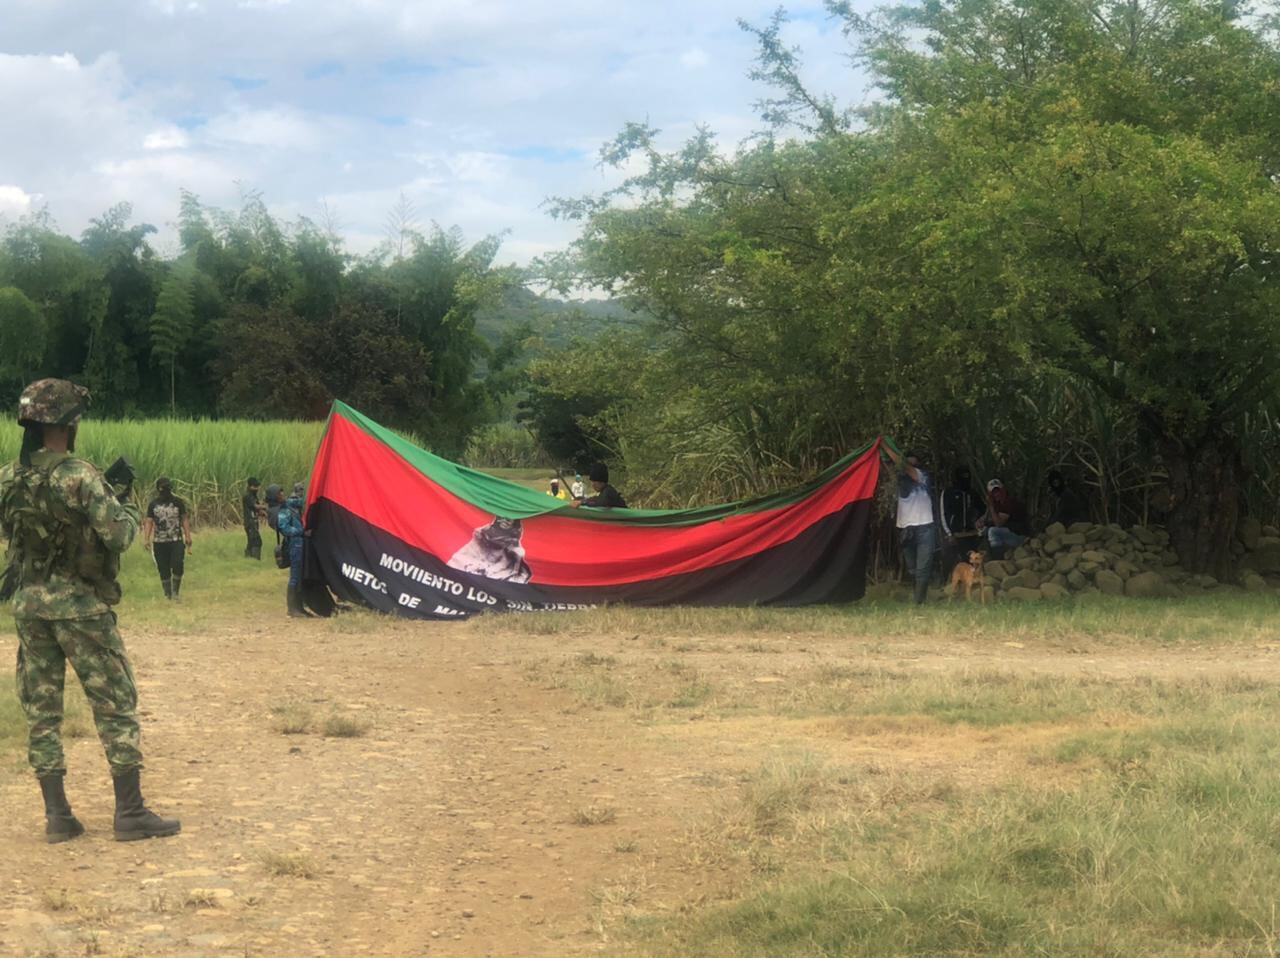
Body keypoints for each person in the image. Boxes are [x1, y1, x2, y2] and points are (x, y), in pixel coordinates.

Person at [0, 378, 179, 843]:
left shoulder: (8, 476)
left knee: (41, 712)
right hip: (80, 607)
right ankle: (131, 812)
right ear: (67, 421)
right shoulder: (80, 474)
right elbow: (118, 537)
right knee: (115, 704)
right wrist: (122, 504)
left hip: (31, 606)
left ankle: (58, 817)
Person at [885, 446, 935, 605]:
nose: (911, 468)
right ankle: (918, 597)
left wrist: (885, 447)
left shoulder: (922, 476)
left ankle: (918, 603)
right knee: (912, 569)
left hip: (924, 527)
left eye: (914, 465)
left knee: (922, 569)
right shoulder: (898, 481)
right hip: (906, 528)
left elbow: (905, 468)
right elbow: (891, 470)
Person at [143, 477, 192, 601]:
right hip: (159, 542)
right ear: (159, 489)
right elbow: (149, 521)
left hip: (176, 540)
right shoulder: (153, 504)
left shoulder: (178, 503)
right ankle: (167, 594)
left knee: (177, 564)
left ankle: (175, 592)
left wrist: (188, 536)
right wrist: (146, 539)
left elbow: (184, 519)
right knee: (163, 568)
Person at [939, 465, 986, 577]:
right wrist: (949, 534)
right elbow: (943, 514)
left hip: (970, 533)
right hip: (954, 534)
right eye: (962, 477)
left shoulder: (972, 493)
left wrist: (980, 525)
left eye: (967, 477)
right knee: (948, 559)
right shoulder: (948, 493)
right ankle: (942, 582)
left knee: (970, 562)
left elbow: (983, 510)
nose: (965, 479)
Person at [277, 482, 307, 617]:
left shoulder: (292, 505)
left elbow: (301, 503)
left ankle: (299, 607)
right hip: (294, 544)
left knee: (299, 576)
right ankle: (292, 609)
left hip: (300, 543)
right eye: (280, 494)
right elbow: (284, 528)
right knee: (294, 576)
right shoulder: (284, 509)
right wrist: (300, 530)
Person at [981, 478, 1029, 557]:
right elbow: (987, 518)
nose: (996, 494)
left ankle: (998, 559)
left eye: (998, 491)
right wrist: (981, 520)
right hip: (1011, 533)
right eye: (994, 493)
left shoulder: (1008, 502)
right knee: (984, 530)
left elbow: (998, 523)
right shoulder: (998, 503)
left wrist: (991, 506)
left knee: (993, 531)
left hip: (1019, 535)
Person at [243, 477, 265, 559]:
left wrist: (264, 513)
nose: (257, 488)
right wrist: (266, 507)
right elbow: (256, 506)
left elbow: (257, 510)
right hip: (250, 522)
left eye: (258, 486)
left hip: (254, 521)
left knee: (251, 541)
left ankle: (249, 559)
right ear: (250, 486)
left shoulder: (254, 496)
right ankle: (255, 559)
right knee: (256, 541)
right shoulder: (247, 496)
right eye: (255, 486)